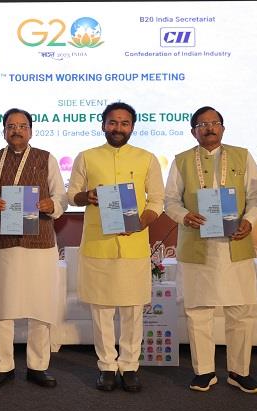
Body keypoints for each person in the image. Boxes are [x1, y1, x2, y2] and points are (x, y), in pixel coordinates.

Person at [164, 106, 257, 393]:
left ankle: (239, 372)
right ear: (193, 131)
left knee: (240, 310)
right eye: (202, 124)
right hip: (197, 246)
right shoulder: (181, 160)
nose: (209, 128)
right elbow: (170, 201)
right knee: (198, 311)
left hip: (235, 244)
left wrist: (249, 220)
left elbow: (256, 196)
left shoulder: (242, 156)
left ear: (223, 127)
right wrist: (184, 216)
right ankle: (204, 372)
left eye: (214, 123)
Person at [67, 102, 164, 392]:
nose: (118, 128)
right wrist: (87, 196)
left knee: (133, 310)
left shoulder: (147, 158)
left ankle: (130, 366)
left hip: (134, 245)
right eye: (112, 122)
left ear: (132, 127)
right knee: (102, 311)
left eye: (124, 123)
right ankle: (107, 366)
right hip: (99, 244)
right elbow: (71, 196)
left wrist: (143, 222)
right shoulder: (87, 157)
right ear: (103, 125)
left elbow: (157, 200)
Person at [0, 108, 68, 389]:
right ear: (3, 130)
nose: (17, 131)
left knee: (40, 306)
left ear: (31, 130)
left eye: (22, 126)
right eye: (11, 126)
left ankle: (38, 366)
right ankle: (3, 367)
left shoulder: (46, 158)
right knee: (3, 307)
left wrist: (52, 204)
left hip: (40, 244)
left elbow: (61, 197)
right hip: (3, 245)